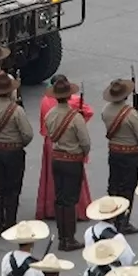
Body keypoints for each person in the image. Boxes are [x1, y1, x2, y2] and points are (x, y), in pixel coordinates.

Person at [41, 77, 90, 252]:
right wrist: (83, 152)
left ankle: (62, 236)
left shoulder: (50, 114)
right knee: (70, 200)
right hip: (72, 160)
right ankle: (69, 238)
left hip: (56, 159)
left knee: (60, 198)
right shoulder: (75, 117)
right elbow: (85, 142)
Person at [0, 73, 32, 233]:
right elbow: (27, 134)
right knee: (13, 189)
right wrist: (19, 143)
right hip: (14, 151)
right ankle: (11, 221)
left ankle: (0, 222)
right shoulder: (16, 110)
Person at [100, 79, 138, 234]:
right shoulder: (130, 114)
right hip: (129, 153)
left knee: (114, 185)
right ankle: (123, 221)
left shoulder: (106, 110)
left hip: (114, 151)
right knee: (127, 188)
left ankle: (112, 216)